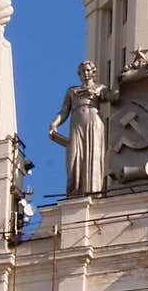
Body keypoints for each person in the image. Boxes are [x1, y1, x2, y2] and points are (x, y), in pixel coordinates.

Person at [49, 61, 118, 196]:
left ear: (93, 72)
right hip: (76, 125)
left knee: (93, 155)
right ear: (79, 74)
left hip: (93, 123)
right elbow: (64, 111)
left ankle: (92, 191)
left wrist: (117, 80)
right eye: (83, 71)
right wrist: (54, 124)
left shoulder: (100, 88)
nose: (85, 74)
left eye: (88, 70)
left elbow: (114, 97)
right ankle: (75, 190)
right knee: (74, 157)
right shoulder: (72, 91)